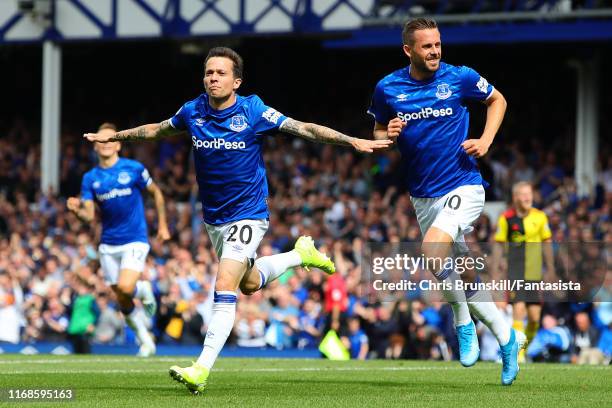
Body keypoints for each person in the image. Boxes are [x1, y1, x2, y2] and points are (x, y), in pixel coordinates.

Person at [84, 47, 391, 394]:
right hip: (215, 217)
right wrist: (117, 136)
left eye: (220, 73)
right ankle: (299, 255)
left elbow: (302, 127)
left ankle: (201, 368)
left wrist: (352, 141)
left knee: (224, 284)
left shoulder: (253, 110)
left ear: (237, 80)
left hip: (249, 212)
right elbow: (156, 130)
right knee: (248, 282)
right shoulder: (193, 111)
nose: (212, 78)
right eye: (208, 72)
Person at [367, 18, 524, 385]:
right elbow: (377, 133)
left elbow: (497, 99)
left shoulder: (460, 77)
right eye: (427, 46)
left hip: (464, 185)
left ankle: (462, 321)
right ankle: (507, 337)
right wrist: (385, 133)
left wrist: (485, 140)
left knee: (433, 251)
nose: (435, 51)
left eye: (438, 44)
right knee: (464, 270)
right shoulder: (388, 88)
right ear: (409, 50)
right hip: (423, 195)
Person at [68, 122, 170, 357]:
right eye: (101, 140)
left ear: (119, 144)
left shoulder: (133, 168)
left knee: (126, 287)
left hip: (135, 238)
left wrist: (163, 225)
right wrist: (76, 211)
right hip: (107, 244)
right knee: (122, 298)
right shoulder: (90, 178)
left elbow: (156, 192)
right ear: (95, 146)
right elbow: (89, 216)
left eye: (110, 139)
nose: (106, 143)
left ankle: (143, 289)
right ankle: (146, 341)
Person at [491, 181, 555, 362]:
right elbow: (498, 246)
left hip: (535, 273)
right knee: (519, 309)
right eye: (524, 194)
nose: (528, 197)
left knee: (535, 318)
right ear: (515, 197)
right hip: (515, 272)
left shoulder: (541, 217)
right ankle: (517, 356)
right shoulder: (506, 218)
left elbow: (547, 243)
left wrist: (550, 269)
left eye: (530, 193)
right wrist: (496, 271)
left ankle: (523, 349)